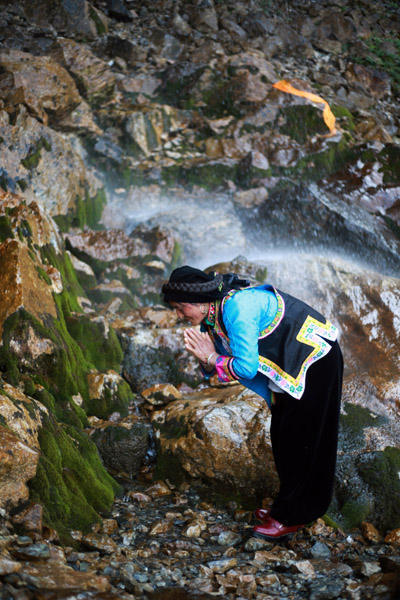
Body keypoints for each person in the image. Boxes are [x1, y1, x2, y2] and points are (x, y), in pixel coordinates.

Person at [161, 266, 343, 541]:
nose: (178, 315)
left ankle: (293, 516)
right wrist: (205, 358)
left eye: (179, 307)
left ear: (198, 302)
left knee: (305, 440)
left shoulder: (236, 309)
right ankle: (287, 508)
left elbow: (244, 368)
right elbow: (218, 365)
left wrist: (210, 357)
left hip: (314, 361)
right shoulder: (211, 316)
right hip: (288, 368)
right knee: (283, 437)